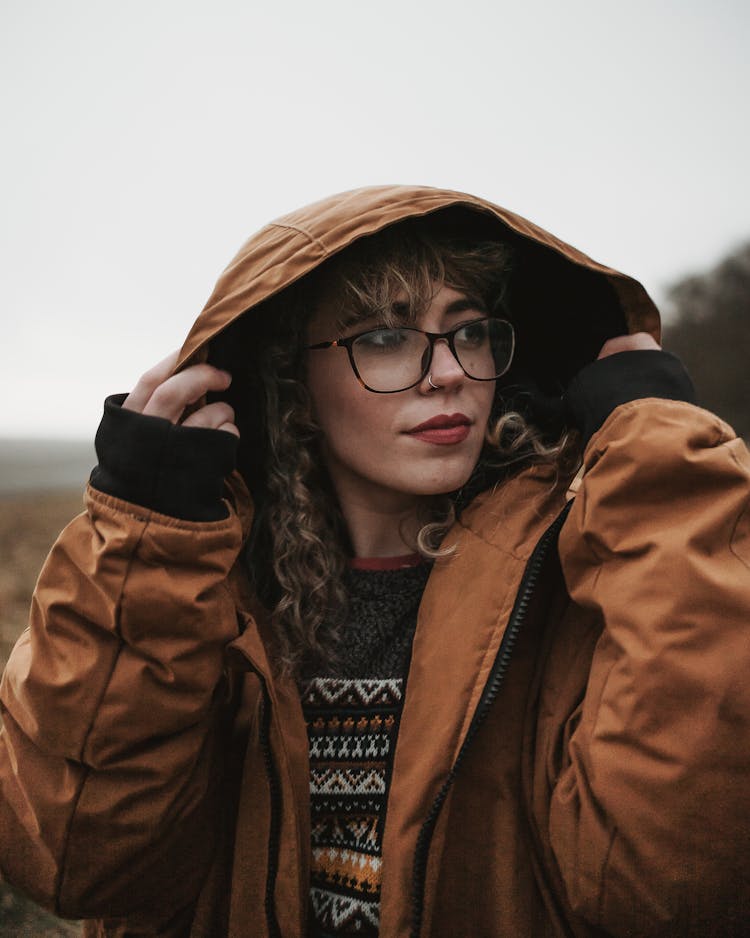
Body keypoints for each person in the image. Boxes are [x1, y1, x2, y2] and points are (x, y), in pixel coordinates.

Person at [1, 185, 749, 938]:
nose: (449, 371)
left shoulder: (587, 587)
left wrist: (664, 467)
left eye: (471, 332)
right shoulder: (209, 604)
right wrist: (144, 546)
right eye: (385, 339)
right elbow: (76, 861)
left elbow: (674, 891)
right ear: (290, 379)